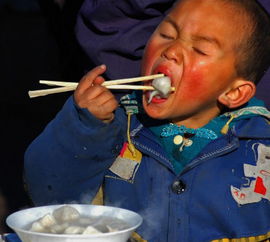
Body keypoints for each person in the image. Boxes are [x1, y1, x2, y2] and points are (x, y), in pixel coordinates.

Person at [24, 0, 270, 241]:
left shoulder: (260, 146)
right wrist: (84, 126)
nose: (171, 50)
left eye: (200, 50)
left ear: (234, 93)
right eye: (166, 33)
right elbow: (48, 195)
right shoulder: (116, 125)